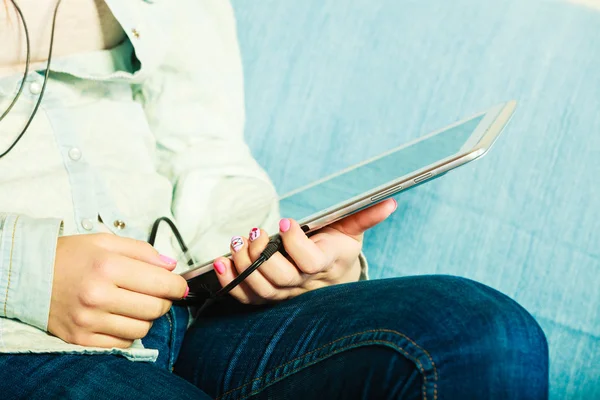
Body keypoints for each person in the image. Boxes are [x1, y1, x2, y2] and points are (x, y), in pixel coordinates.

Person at [0, 1, 548, 398]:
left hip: (194, 312)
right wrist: (27, 273)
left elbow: (206, 156)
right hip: (19, 343)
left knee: (486, 335)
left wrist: (276, 254)